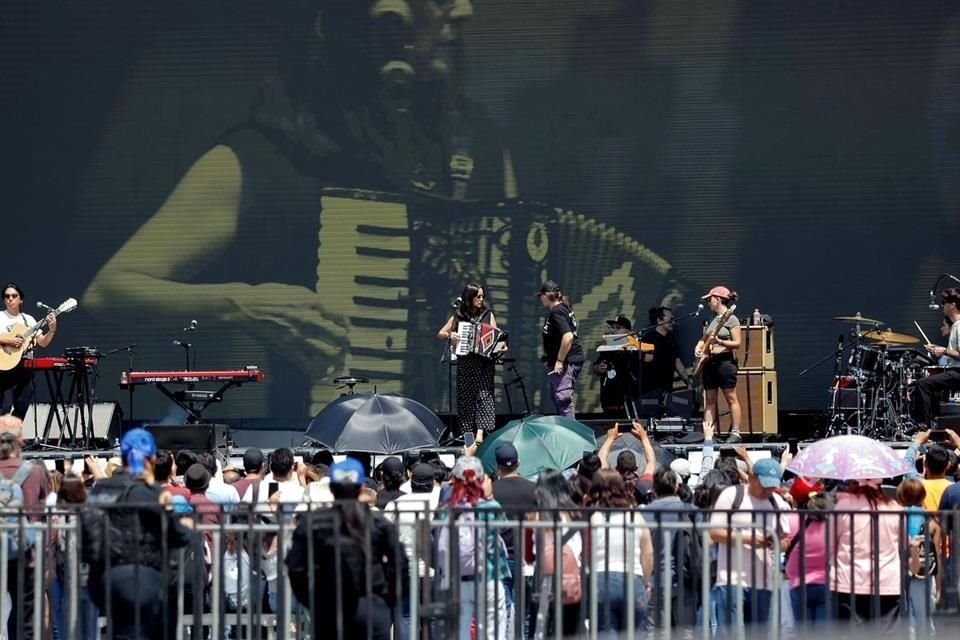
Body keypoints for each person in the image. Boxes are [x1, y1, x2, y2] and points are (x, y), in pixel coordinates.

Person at [85, 428, 195, 640]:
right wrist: (187, 526)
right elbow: (176, 535)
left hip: (101, 581)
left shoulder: (100, 490)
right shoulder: (148, 492)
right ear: (152, 458)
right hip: (140, 580)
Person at [286, 458, 408, 640]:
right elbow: (400, 566)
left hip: (329, 608)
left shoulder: (314, 524)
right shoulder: (378, 524)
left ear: (332, 488)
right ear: (361, 488)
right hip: (372, 608)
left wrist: (313, 601)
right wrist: (386, 600)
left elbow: (296, 568)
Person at [708, 458, 791, 634]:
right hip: (731, 579)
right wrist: (750, 539)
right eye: (764, 485)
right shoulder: (732, 495)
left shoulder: (777, 503)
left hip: (764, 582)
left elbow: (785, 541)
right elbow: (715, 533)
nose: (768, 490)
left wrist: (776, 543)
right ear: (752, 477)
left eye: (772, 486)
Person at [586, 469, 654, 637]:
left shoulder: (593, 517)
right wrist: (645, 581)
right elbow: (648, 553)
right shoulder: (634, 516)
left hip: (601, 579)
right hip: (633, 579)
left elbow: (585, 553)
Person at [438, 283, 499, 436]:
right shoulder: (459, 316)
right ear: (469, 297)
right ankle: (468, 439)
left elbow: (497, 338)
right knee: (466, 401)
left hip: (485, 364)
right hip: (466, 363)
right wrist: (450, 335)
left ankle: (480, 439)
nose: (481, 299)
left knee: (484, 399)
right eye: (478, 296)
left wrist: (501, 346)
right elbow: (440, 333)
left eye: (482, 296)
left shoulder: (488, 315)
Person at [0, 283, 57, 419]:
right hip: (4, 367)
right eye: (7, 296)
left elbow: (42, 342)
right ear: (3, 300)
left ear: (21, 299)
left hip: (25, 367)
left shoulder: (29, 320)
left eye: (14, 296)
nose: (10, 299)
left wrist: (52, 329)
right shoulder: (0, 317)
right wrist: (8, 341)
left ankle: (12, 436)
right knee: (4, 406)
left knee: (22, 404)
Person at [695, 286, 742, 443]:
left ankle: (735, 432)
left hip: (725, 362)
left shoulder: (731, 319)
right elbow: (705, 338)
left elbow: (737, 343)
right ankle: (709, 434)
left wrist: (720, 341)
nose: (709, 302)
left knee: (730, 397)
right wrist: (698, 346)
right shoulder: (713, 319)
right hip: (710, 362)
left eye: (710, 299)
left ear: (718, 299)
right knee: (709, 400)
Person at [912, 287, 960, 429]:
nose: (942, 306)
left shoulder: (959, 326)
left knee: (923, 384)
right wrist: (939, 350)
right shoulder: (956, 326)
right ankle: (936, 425)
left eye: (944, 303)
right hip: (955, 371)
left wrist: (943, 351)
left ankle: (924, 426)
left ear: (952, 305)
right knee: (931, 386)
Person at [538, 280, 584, 418]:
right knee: (558, 397)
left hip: (567, 362)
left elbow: (568, 336)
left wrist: (559, 360)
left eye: (541, 295)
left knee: (563, 399)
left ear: (546, 295)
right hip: (568, 360)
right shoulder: (563, 308)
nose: (540, 298)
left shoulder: (557, 311)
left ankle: (570, 436)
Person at [640, 306, 692, 398]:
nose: (673, 322)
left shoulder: (671, 339)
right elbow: (645, 361)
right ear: (659, 320)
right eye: (670, 319)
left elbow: (677, 361)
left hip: (667, 386)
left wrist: (687, 382)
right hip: (651, 388)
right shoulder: (648, 338)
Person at [593, 315, 639, 417]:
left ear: (628, 331)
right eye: (612, 328)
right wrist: (599, 368)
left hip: (627, 398)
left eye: (618, 328)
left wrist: (635, 342)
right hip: (608, 398)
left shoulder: (634, 349)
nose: (614, 331)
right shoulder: (607, 348)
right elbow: (596, 367)